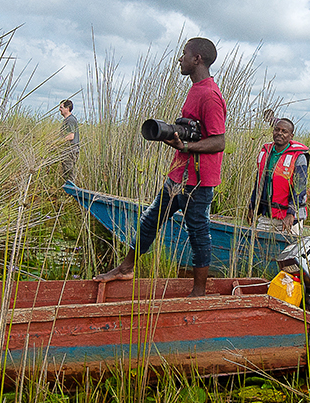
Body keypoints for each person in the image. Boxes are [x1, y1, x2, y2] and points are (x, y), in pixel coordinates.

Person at [92, 37, 228, 296]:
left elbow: (219, 141)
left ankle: (199, 292)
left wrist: (186, 147)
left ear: (197, 59)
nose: (180, 59)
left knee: (198, 232)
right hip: (179, 174)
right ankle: (126, 268)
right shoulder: (196, 88)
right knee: (150, 220)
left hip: (198, 181)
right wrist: (176, 140)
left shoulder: (210, 95)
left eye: (184, 54)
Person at [247, 115, 309, 230]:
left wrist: (291, 214)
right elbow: (259, 182)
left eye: (284, 131)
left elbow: (299, 188)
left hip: (290, 217)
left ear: (291, 136)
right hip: (268, 214)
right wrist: (252, 206)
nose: (279, 133)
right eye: (277, 130)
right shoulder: (266, 152)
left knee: (291, 247)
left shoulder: (299, 157)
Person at [58, 98, 80, 184]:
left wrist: (58, 142)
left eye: (61, 107)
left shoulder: (70, 120)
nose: (59, 109)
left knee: (69, 173)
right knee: (66, 172)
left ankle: (71, 191)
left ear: (67, 108)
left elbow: (71, 136)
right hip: (68, 150)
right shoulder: (68, 120)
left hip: (70, 149)